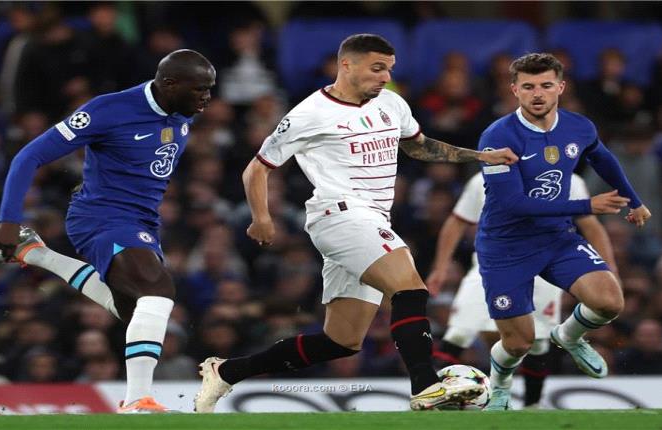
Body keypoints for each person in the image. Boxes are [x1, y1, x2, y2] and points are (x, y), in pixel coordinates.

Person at [194, 33, 518, 413]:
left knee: (341, 341)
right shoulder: (309, 113)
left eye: (389, 69)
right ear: (346, 64)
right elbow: (256, 169)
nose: (385, 77)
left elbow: (419, 146)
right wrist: (261, 217)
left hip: (372, 220)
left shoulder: (392, 103)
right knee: (409, 288)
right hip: (339, 215)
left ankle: (226, 371)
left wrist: (480, 156)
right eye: (377, 68)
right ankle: (426, 385)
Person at [0, 49, 216, 413]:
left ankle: (36, 254)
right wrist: (9, 219)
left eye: (209, 89)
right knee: (157, 291)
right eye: (200, 89)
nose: (206, 97)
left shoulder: (180, 111)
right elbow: (28, 156)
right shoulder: (108, 110)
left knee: (136, 310)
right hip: (102, 217)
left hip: (142, 221)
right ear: (170, 83)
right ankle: (138, 400)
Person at [474, 53, 651, 410]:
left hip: (556, 237)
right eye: (528, 87)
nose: (537, 93)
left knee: (609, 301)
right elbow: (514, 204)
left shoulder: (579, 127)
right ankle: (500, 384)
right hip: (506, 246)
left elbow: (601, 157)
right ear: (514, 90)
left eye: (545, 85)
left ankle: (569, 336)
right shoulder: (497, 137)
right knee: (519, 344)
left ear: (561, 87)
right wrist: (587, 206)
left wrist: (634, 201)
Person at [425, 172, 617, 408]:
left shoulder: (569, 179)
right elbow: (458, 221)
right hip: (494, 264)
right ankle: (435, 397)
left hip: (547, 265)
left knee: (536, 342)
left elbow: (590, 225)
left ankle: (531, 405)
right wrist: (440, 268)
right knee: (459, 332)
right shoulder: (484, 177)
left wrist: (609, 268)